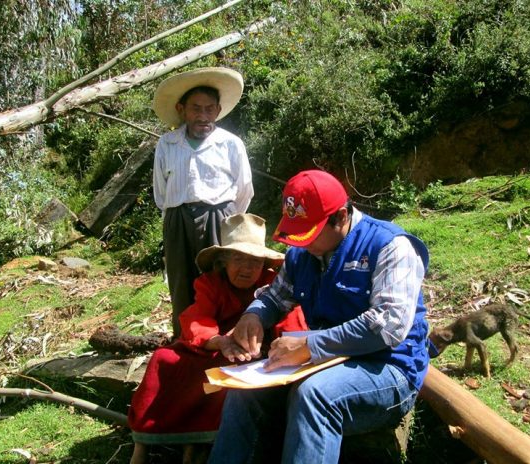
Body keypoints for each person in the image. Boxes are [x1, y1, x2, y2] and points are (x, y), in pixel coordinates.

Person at [208, 170, 431, 464]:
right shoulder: (301, 255)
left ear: (340, 217)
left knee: (316, 395)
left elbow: (388, 325)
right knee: (244, 392)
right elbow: (275, 297)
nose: (301, 243)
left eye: (309, 234)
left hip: (388, 368)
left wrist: (309, 347)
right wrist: (254, 316)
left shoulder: (390, 245)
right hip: (321, 363)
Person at [128, 213, 306, 464]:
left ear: (264, 263)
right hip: (214, 346)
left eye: (254, 261)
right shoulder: (210, 283)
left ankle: (203, 443)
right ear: (223, 261)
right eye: (238, 259)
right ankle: (144, 442)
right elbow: (198, 319)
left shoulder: (273, 284)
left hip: (257, 355)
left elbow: (291, 321)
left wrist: (278, 346)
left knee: (232, 371)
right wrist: (220, 341)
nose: (247, 269)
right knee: (164, 358)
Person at [152, 67, 254, 337]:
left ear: (218, 111)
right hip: (177, 219)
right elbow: (161, 192)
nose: (203, 116)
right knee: (181, 281)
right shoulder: (167, 144)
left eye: (209, 109)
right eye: (196, 109)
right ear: (181, 109)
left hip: (220, 218)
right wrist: (175, 217)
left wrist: (227, 222)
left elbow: (244, 190)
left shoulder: (231, 144)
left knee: (219, 279)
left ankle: (223, 339)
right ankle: (185, 340)